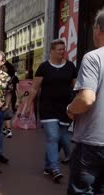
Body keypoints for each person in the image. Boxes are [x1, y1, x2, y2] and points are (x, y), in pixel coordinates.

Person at [67, 9, 104, 195]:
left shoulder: (94, 58)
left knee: (79, 194)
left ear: (99, 31)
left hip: (93, 139)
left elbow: (87, 98)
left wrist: (70, 109)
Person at [29, 39, 77, 183]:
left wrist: (77, 106)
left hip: (65, 109)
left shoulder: (70, 67)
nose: (62, 52)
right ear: (52, 51)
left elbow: (76, 88)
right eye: (59, 49)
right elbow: (34, 88)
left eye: (64, 49)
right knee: (52, 137)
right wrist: (26, 106)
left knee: (60, 139)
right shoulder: (44, 67)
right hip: (47, 107)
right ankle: (55, 169)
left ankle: (47, 165)